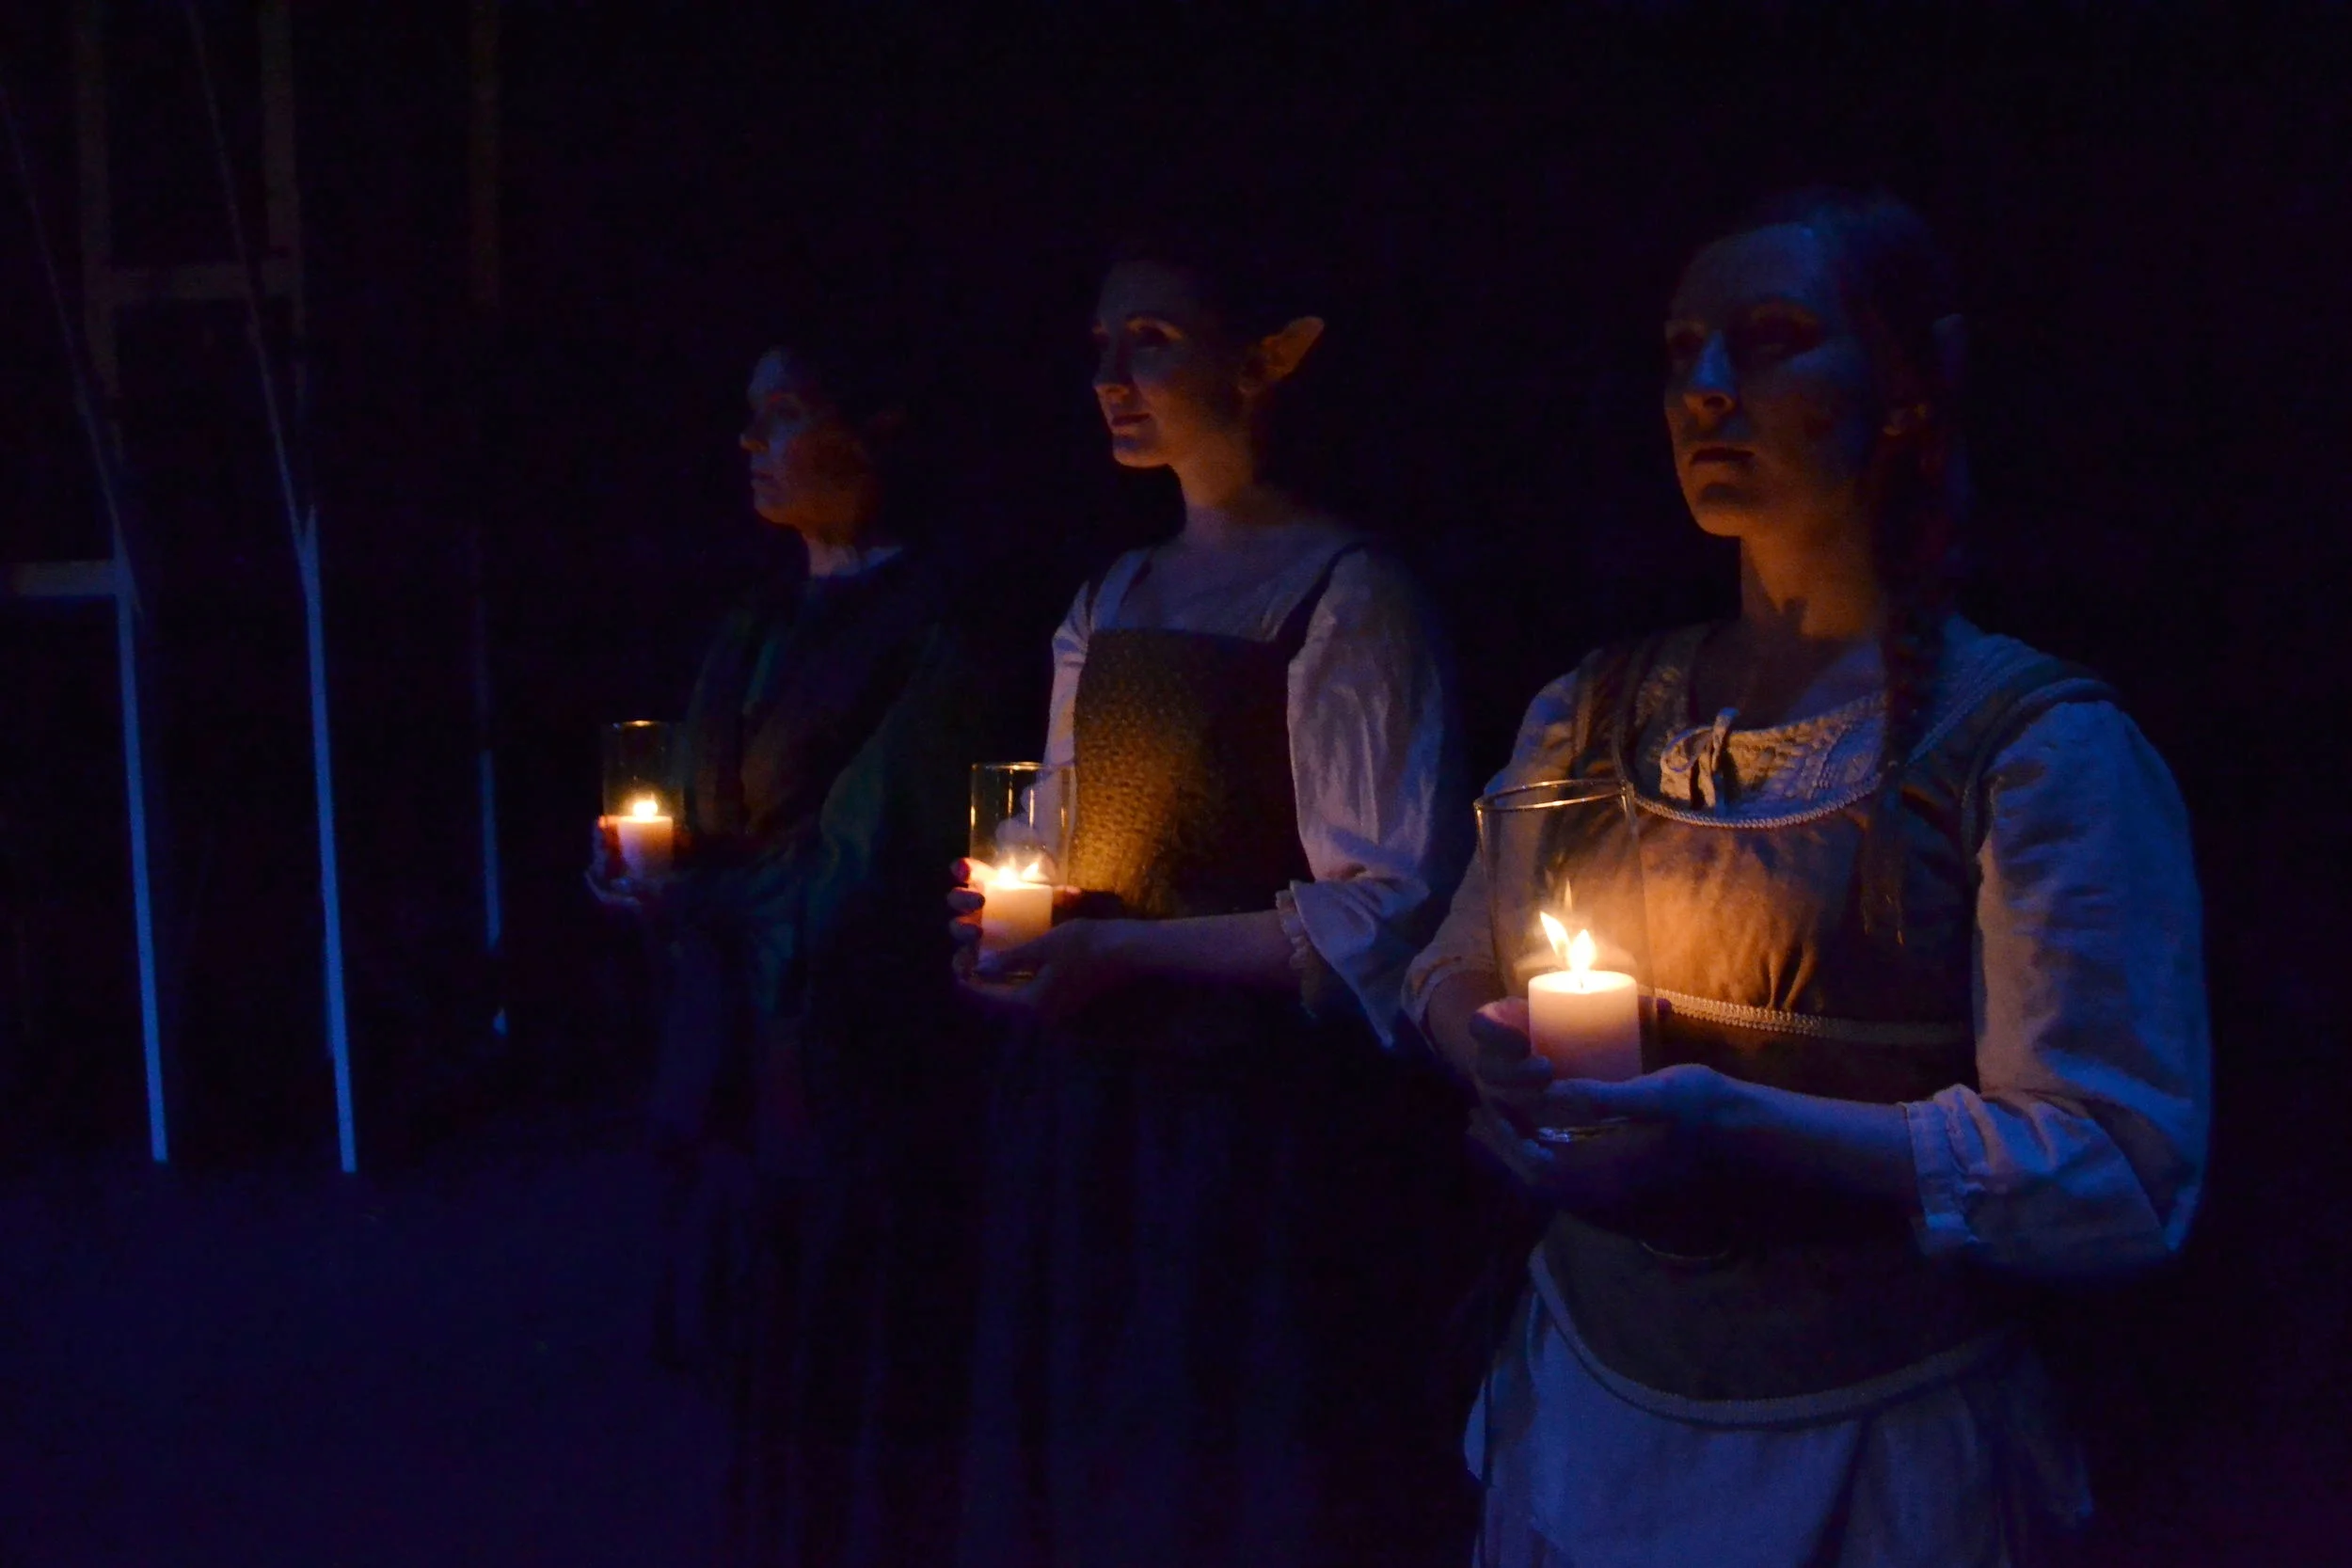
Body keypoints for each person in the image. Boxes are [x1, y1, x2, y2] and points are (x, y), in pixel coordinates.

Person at [1404, 189, 2210, 1566]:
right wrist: (1489, 1062)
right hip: (1590, 1413)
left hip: (1873, 1453)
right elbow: (1456, 961)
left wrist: (1733, 1126)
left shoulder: (2031, 751)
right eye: (1681, 352)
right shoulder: (1591, 713)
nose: (1706, 389)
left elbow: (2115, 1167)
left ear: (1905, 392)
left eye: (1770, 338)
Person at [946, 218, 1480, 1567]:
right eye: (1100, 346)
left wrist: (1128, 957)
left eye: (1154, 341)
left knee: (1229, 1460)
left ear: (1265, 361)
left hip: (1248, 1120)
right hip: (1096, 1104)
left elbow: (1386, 906)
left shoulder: (1344, 594)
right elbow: (1063, 815)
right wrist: (1013, 910)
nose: (1111, 378)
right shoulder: (1114, 592)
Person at [590, 322, 984, 1567]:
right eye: (749, 418)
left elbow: (873, 871)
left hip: (863, 1094)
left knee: (861, 1406)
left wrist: (693, 894)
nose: (752, 442)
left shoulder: (940, 627)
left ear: (877, 431)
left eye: (786, 414)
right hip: (742, 1087)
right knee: (760, 1414)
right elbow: (704, 829)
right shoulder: (755, 623)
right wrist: (640, 872)